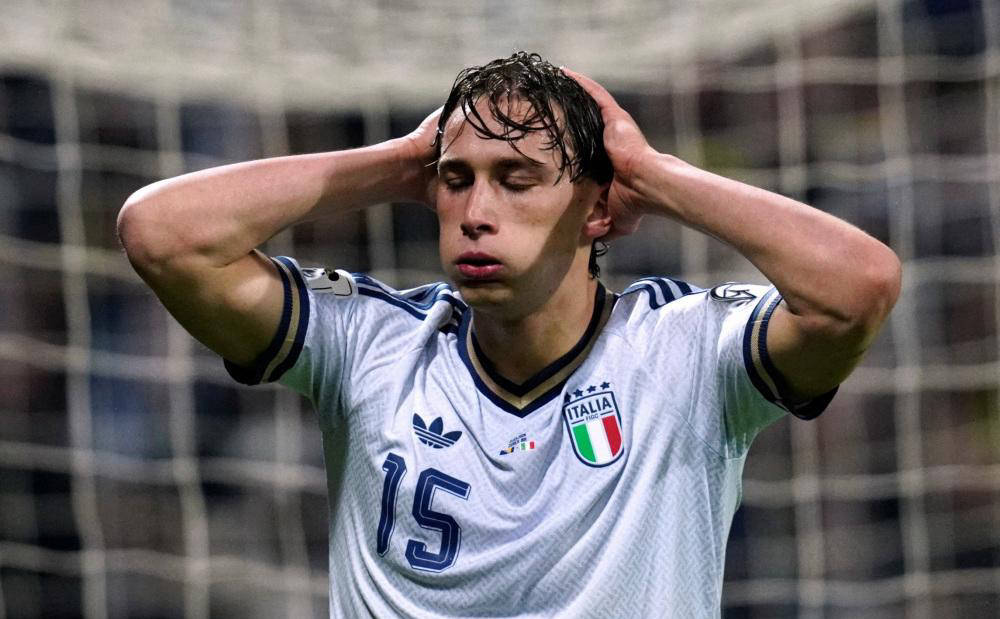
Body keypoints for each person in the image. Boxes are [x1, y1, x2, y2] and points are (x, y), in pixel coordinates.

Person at [117, 52, 900, 617]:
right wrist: (403, 158)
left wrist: (651, 173)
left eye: (517, 180)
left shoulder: (685, 354)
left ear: (598, 210)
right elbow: (161, 234)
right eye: (457, 181)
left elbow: (857, 287)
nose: (476, 213)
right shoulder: (371, 348)